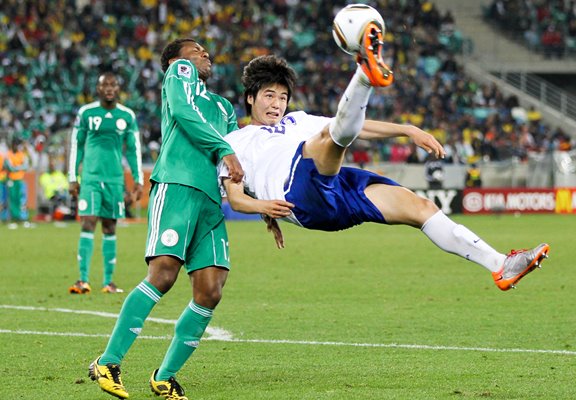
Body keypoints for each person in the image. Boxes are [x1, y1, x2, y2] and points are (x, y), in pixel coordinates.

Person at [218, 24, 550, 295]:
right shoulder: (234, 141)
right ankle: (364, 72)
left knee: (419, 207)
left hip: (334, 182)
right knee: (328, 138)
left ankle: (499, 266)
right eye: (269, 96)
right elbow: (234, 196)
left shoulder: (297, 120)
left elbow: (355, 126)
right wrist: (264, 209)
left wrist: (406, 129)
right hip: (297, 194)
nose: (277, 104)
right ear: (250, 98)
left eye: (283, 96)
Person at [88, 38, 244, 400]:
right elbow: (185, 113)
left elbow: (239, 155)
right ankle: (109, 361)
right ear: (174, 59)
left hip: (210, 203)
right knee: (163, 274)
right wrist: (224, 147)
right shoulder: (180, 73)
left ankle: (165, 376)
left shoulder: (223, 106)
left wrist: (260, 205)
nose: (205, 53)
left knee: (210, 290)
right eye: (196, 49)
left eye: (207, 49)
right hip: (177, 185)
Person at [68, 71, 144, 295]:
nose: (109, 88)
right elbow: (77, 145)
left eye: (113, 84)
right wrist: (73, 177)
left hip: (114, 180)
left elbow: (133, 149)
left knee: (110, 227)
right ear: (98, 89)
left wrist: (138, 180)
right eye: (105, 85)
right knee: (88, 222)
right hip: (90, 178)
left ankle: (108, 282)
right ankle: (82, 279)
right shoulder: (86, 113)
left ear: (118, 89)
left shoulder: (127, 116)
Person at [5, 137, 30, 228]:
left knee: (22, 199)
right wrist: (19, 167)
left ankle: (23, 217)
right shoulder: (9, 154)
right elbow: (10, 167)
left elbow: (26, 166)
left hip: (20, 179)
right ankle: (14, 218)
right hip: (12, 180)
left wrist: (17, 167)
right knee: (13, 199)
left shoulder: (21, 154)